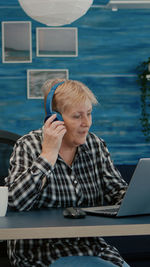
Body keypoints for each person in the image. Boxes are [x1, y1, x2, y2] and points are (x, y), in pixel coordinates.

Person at [5, 79, 130, 267]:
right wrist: (47, 155)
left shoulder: (95, 145)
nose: (86, 123)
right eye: (77, 116)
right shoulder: (28, 146)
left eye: (89, 114)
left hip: (92, 248)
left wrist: (136, 199)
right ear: (54, 119)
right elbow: (14, 201)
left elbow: (117, 192)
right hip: (41, 252)